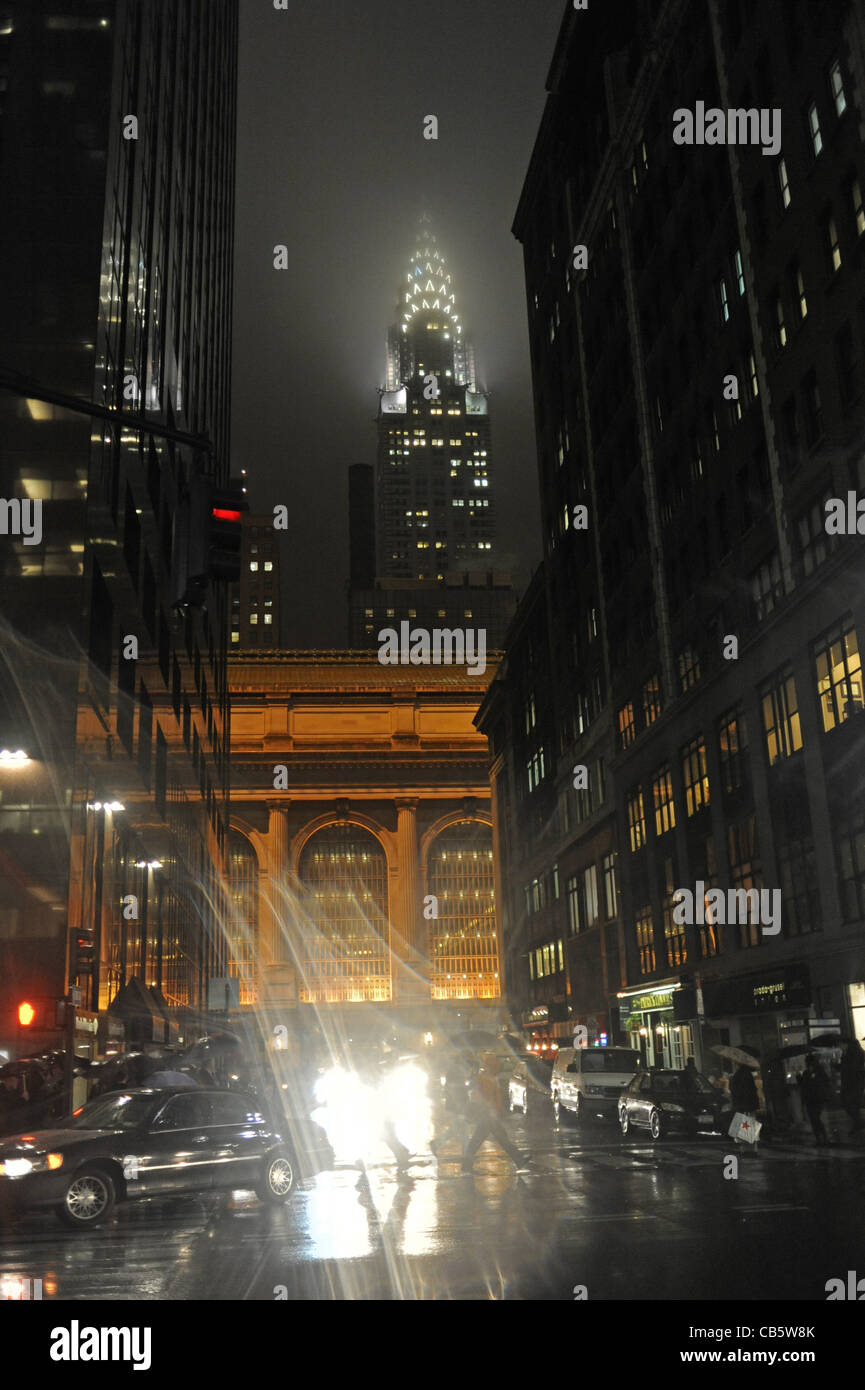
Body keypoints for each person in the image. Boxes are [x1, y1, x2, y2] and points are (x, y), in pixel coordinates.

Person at [461, 1054, 529, 1174]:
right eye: (496, 1065)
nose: (499, 1067)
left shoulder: (488, 1077)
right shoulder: (487, 1078)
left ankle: (519, 1159)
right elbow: (487, 1098)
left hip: (489, 1114)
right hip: (488, 1115)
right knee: (495, 1138)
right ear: (493, 1066)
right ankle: (519, 1159)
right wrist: (493, 1112)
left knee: (491, 1138)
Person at [799, 1053, 832, 1145]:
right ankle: (820, 1137)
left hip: (816, 1098)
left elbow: (821, 1083)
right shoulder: (809, 1072)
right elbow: (804, 1085)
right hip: (812, 1098)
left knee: (815, 1118)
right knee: (814, 1119)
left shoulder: (818, 1071)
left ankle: (822, 1137)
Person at [839, 1039, 865, 1138]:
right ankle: (858, 1123)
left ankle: (859, 1123)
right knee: (850, 1105)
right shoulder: (848, 1054)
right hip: (852, 1084)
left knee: (851, 1104)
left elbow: (851, 1069)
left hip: (854, 1084)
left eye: (841, 1044)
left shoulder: (854, 1054)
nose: (840, 1047)